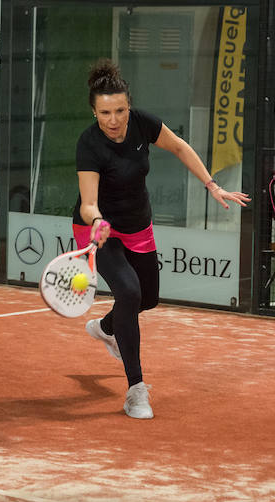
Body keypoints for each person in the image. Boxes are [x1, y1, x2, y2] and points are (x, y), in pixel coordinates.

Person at [72, 60, 250, 419]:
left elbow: (181, 147)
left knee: (148, 298)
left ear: (129, 106)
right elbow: (89, 203)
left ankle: (107, 328)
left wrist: (211, 184)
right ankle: (136, 390)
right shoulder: (89, 144)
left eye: (120, 110)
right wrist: (99, 220)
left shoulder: (142, 123)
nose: (114, 120)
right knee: (129, 292)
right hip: (99, 229)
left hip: (138, 226)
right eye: (105, 112)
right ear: (94, 111)